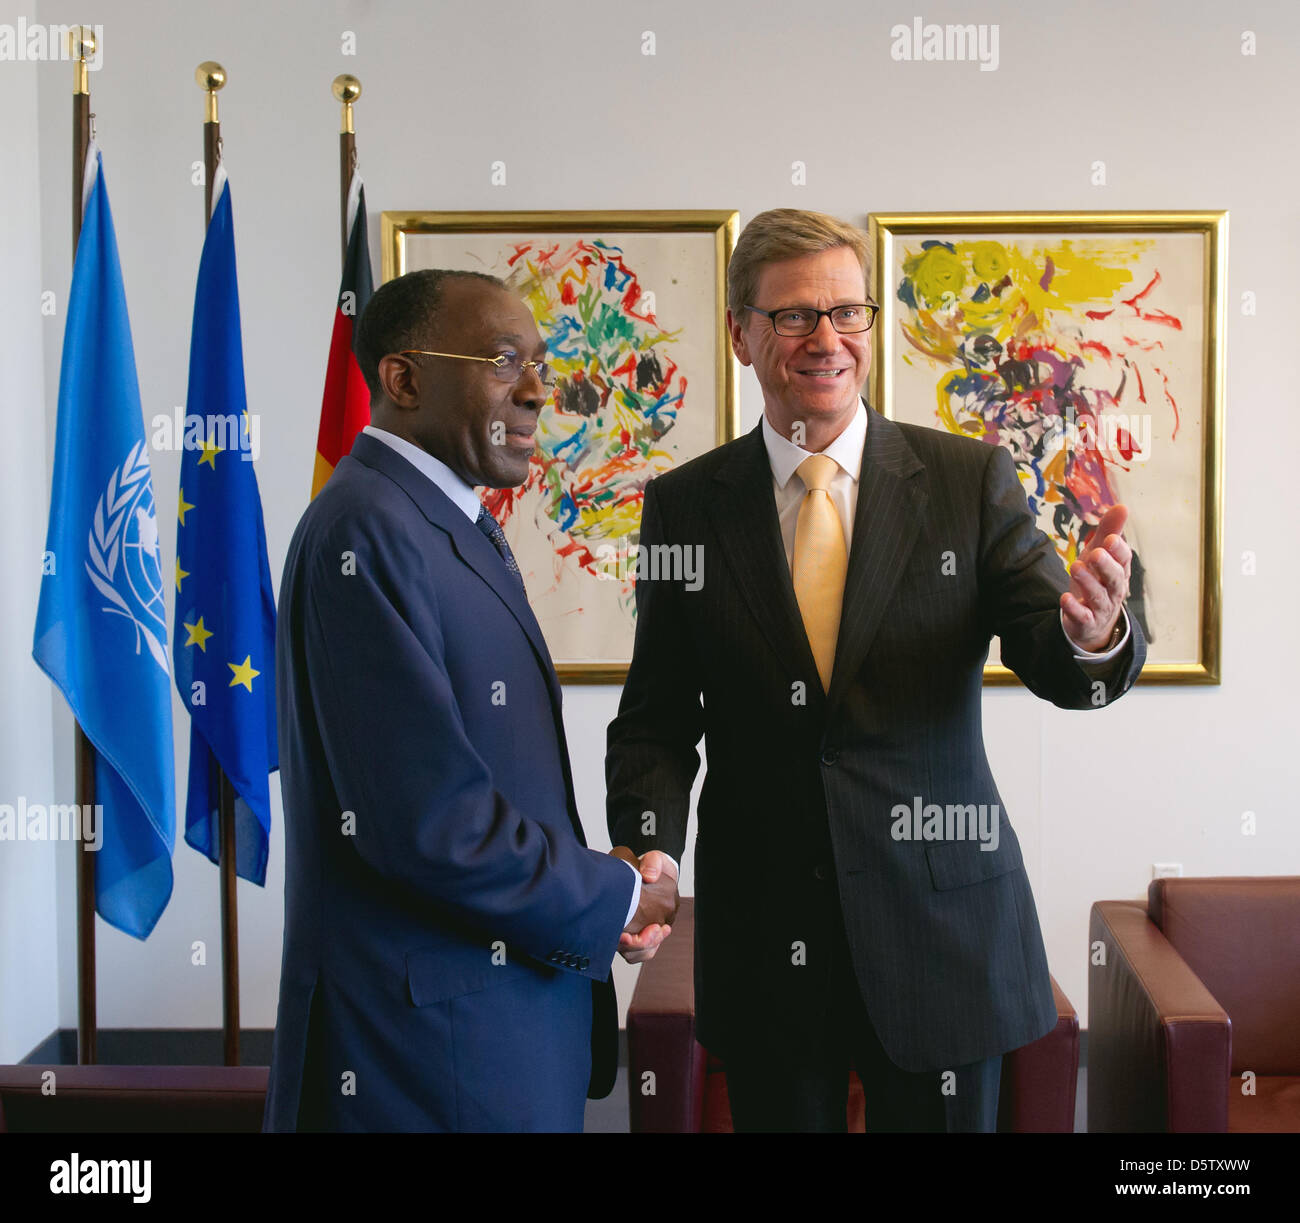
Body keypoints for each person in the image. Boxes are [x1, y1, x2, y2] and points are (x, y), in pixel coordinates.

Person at [605, 209, 1145, 1132]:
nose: (828, 338)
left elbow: (1055, 654)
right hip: (766, 937)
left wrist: (1097, 635)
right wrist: (650, 845)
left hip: (942, 931)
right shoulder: (683, 505)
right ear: (741, 333)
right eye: (795, 316)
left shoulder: (967, 481)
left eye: (848, 312)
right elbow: (657, 714)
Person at [264, 268, 677, 1133]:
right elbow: (429, 822)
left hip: (495, 1036)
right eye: (500, 360)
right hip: (427, 1061)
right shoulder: (366, 528)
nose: (535, 391)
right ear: (404, 377)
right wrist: (607, 895)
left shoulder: (438, 520)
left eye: (537, 363)